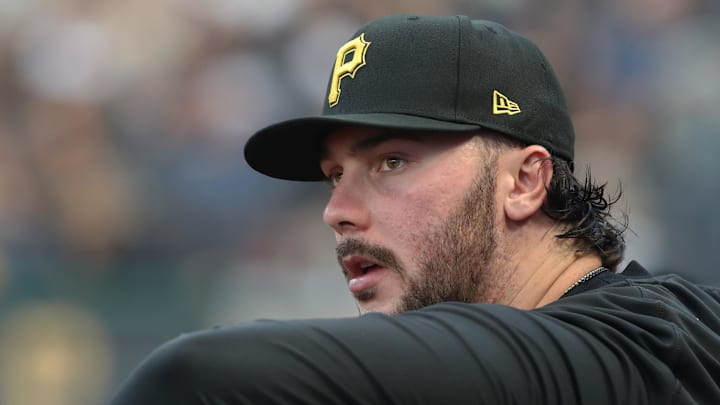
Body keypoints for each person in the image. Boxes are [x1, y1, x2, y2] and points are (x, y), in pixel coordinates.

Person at [109, 14, 720, 404]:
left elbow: (198, 377)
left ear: (526, 181)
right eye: (332, 177)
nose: (337, 212)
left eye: (391, 162)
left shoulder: (647, 345)